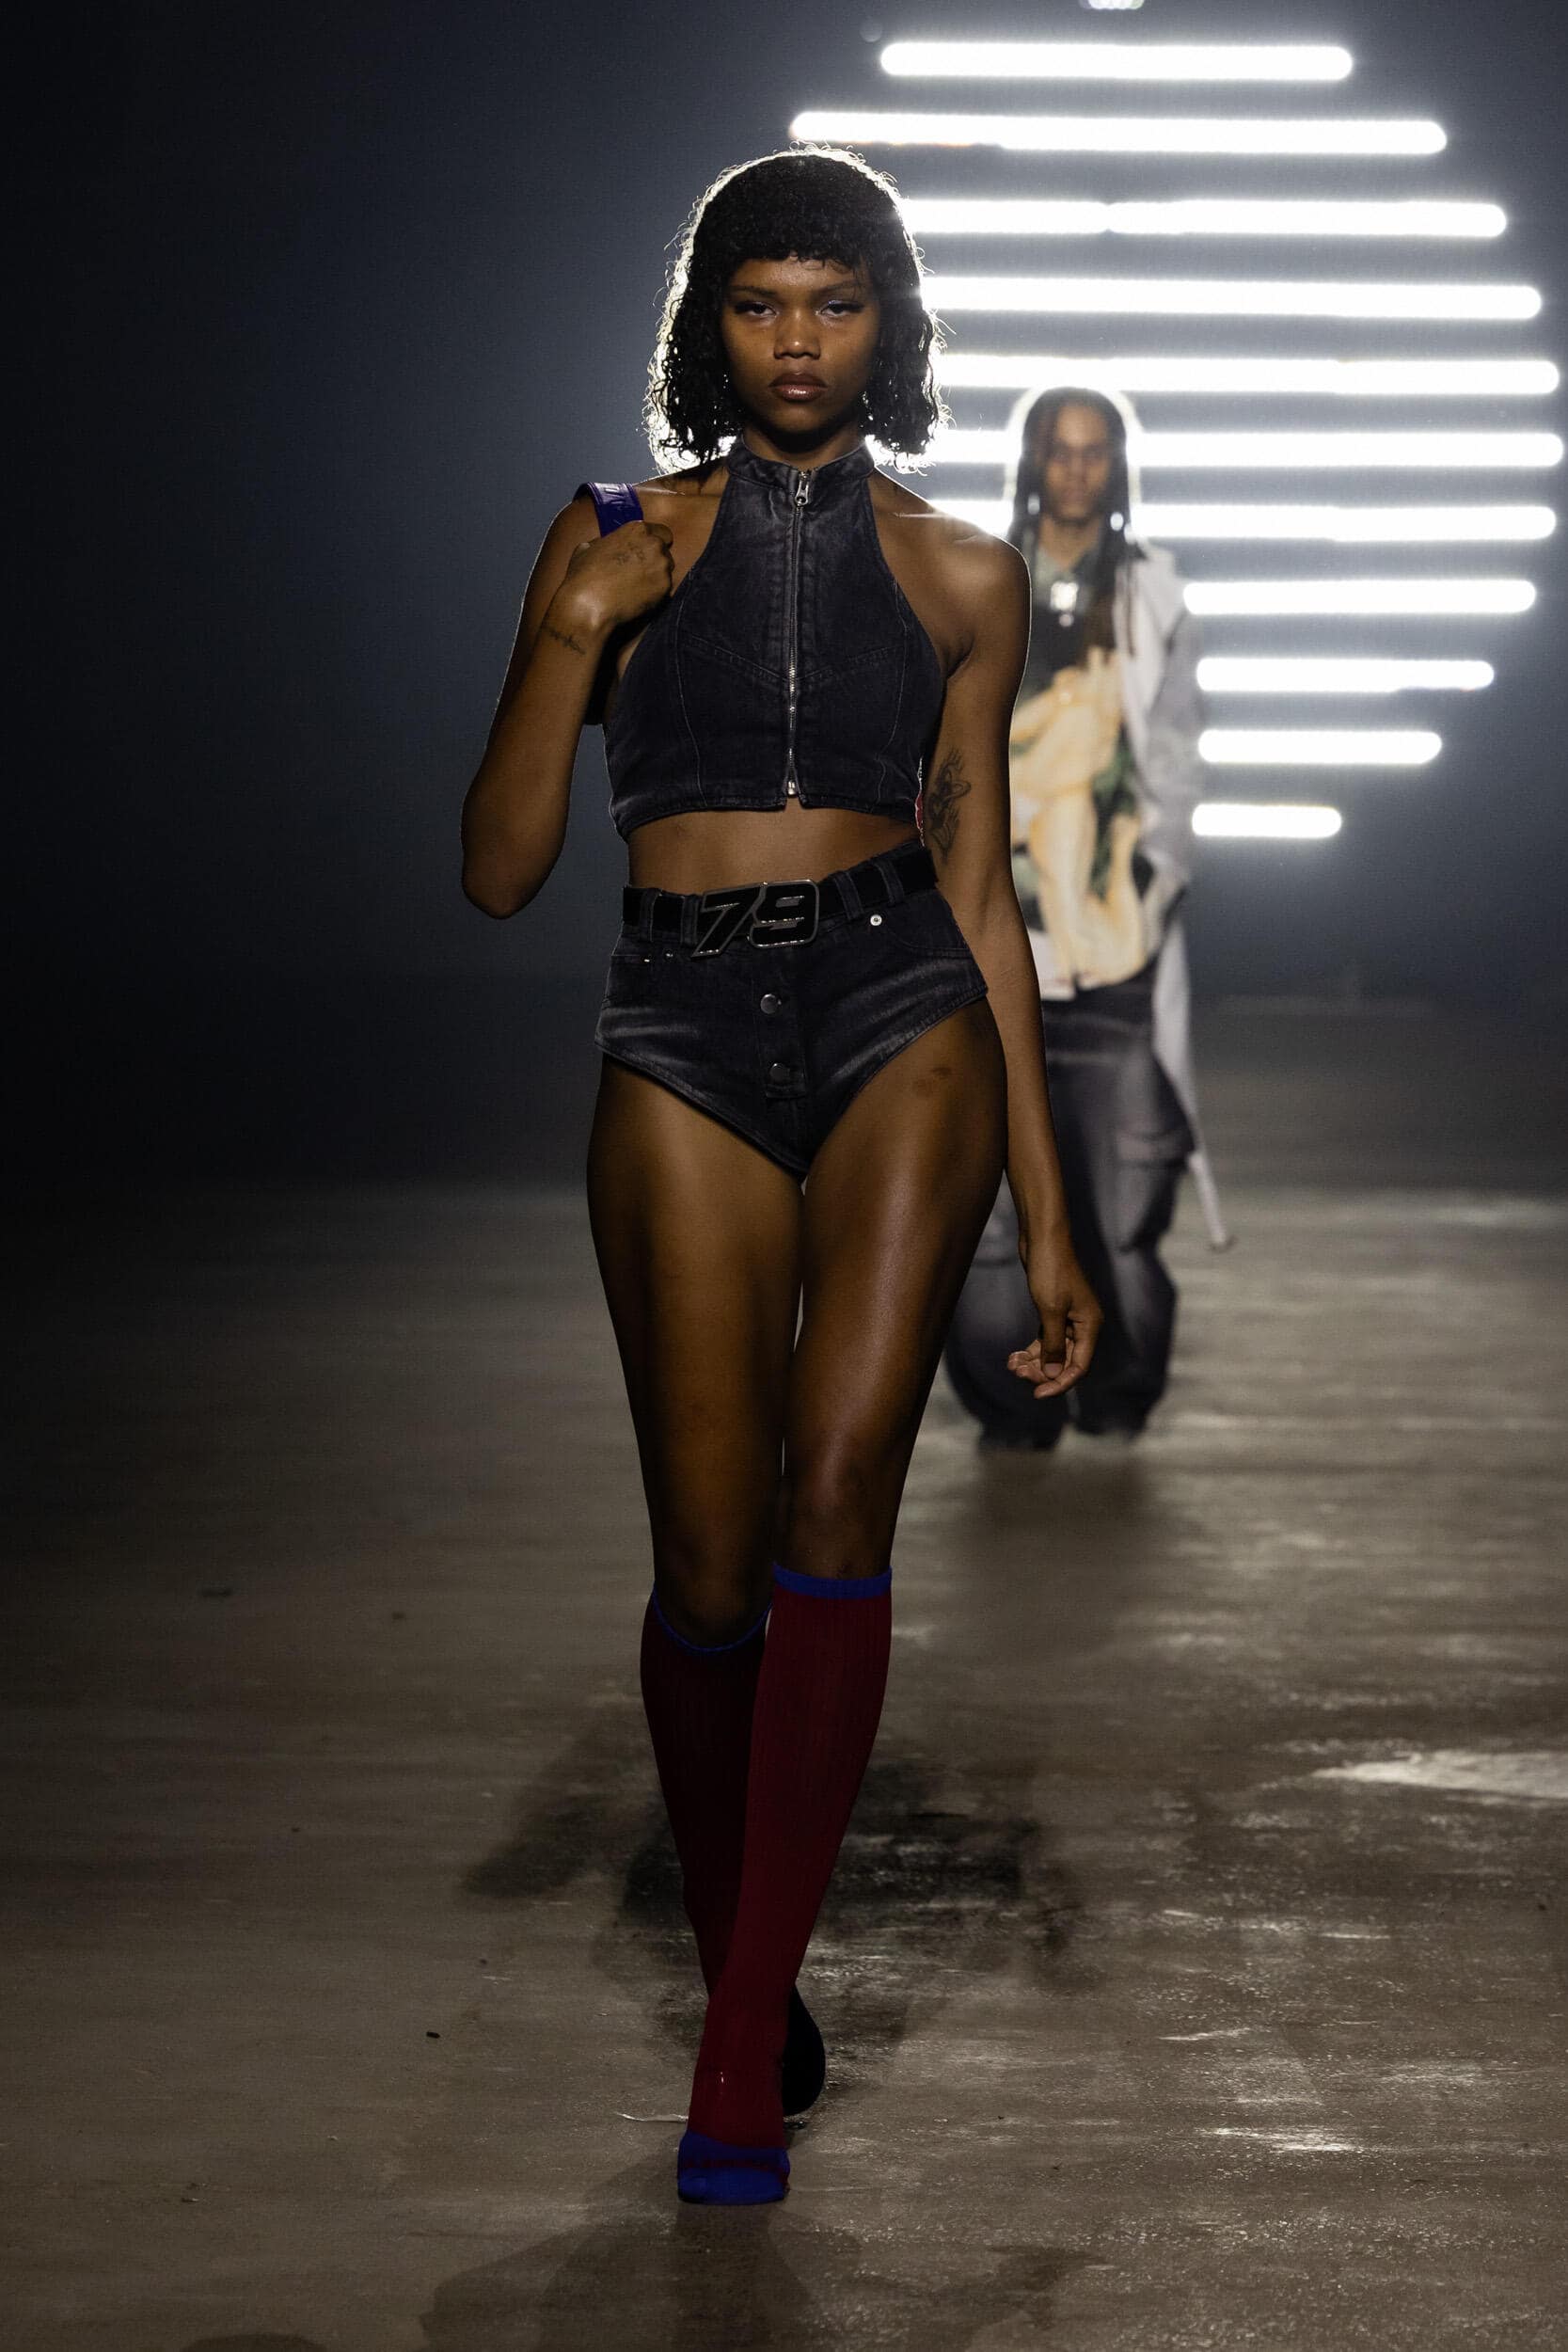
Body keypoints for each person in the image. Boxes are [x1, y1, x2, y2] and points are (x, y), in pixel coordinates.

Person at [459, 151, 1101, 2205]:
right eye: (759, 303)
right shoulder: (612, 540)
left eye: (834, 301)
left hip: (899, 1007)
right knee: (711, 1563)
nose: (798, 340)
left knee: (840, 1496)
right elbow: (497, 870)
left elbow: (986, 904)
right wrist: (568, 632)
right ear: (708, 325)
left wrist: (1050, 1211)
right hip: (675, 1025)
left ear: (886, 324)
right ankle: (748, 1951)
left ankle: (739, 2042)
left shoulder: (960, 577)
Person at [943, 385, 1227, 1452]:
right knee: (980, 1205)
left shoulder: (1152, 588)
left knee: (1119, 1202)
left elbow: (1174, 748)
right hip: (986, 934)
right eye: (1057, 450)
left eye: (1093, 450)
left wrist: (1157, 876)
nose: (1074, 469)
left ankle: (1115, 1396)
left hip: (1110, 943)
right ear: (1028, 460)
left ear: (1115, 464)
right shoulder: (972, 573)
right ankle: (1011, 1404)